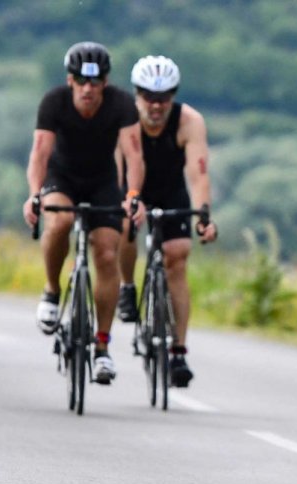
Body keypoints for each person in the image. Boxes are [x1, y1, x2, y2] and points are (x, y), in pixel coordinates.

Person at [22, 41, 145, 384]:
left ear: (105, 82)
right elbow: (39, 154)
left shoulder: (121, 104)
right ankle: (51, 290)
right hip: (62, 177)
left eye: (95, 82)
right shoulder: (54, 102)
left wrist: (133, 195)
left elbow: (134, 156)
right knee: (59, 220)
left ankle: (102, 346)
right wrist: (34, 195)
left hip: (102, 181)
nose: (87, 89)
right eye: (80, 81)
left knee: (106, 252)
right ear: (70, 80)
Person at [116, 55, 217, 388]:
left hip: (171, 192)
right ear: (137, 94)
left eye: (164, 97)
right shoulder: (124, 118)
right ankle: (127, 287)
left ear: (173, 95)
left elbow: (198, 174)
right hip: (133, 189)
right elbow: (116, 169)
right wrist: (125, 201)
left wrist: (203, 217)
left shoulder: (189, 121)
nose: (156, 105)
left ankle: (178, 351)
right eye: (149, 96)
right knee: (124, 227)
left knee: (178, 256)